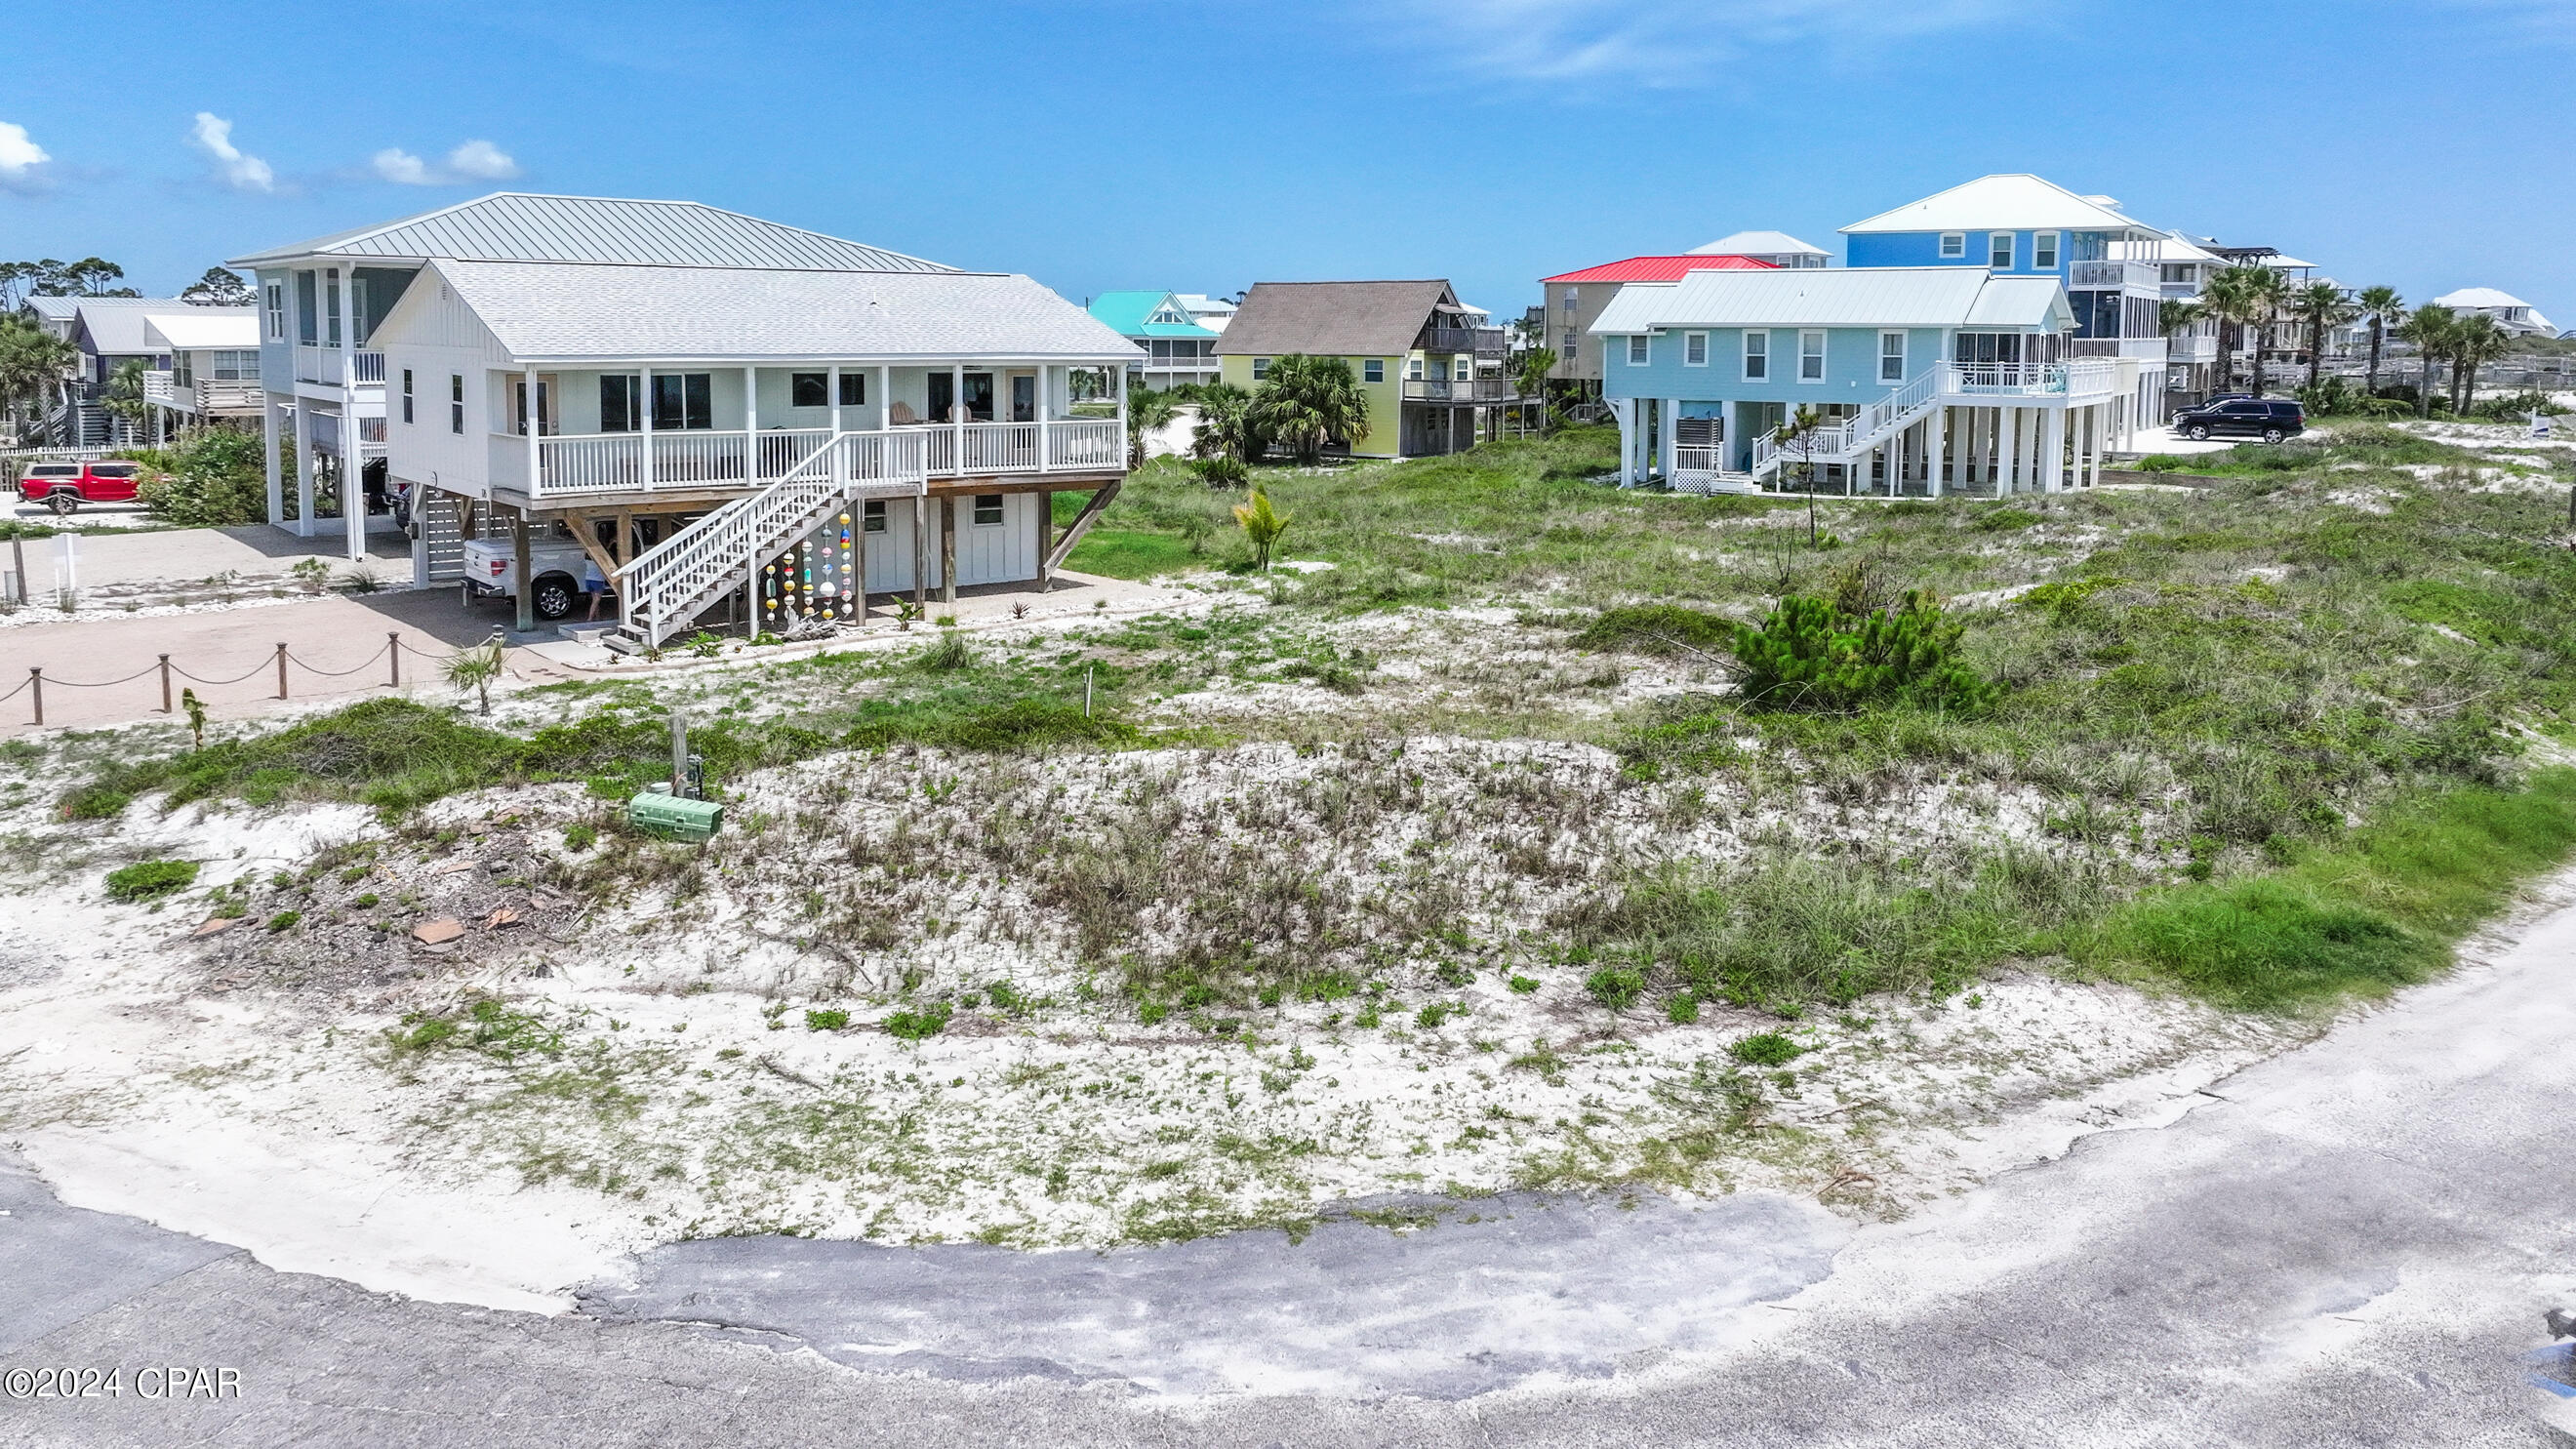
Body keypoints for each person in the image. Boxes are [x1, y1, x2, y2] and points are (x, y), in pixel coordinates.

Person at [581, 555, 612, 621]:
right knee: (596, 600)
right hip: (598, 581)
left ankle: (598, 617)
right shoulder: (599, 561)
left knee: (594, 600)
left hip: (588, 580)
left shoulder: (587, 561)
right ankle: (590, 618)